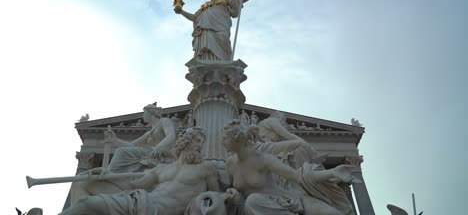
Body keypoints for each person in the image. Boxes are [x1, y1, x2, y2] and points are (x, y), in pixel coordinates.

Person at [61, 128, 220, 215]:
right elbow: (131, 186)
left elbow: (217, 196)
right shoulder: (162, 168)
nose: (200, 146)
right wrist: (107, 174)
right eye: (197, 141)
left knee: (89, 204)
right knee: (85, 190)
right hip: (140, 201)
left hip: (159, 210)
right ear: (185, 142)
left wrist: (231, 195)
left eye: (201, 142)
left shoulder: (205, 167)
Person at [223, 121, 359, 215]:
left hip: (286, 200)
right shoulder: (230, 164)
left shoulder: (263, 158)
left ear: (237, 139)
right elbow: (230, 187)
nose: (222, 141)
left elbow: (297, 176)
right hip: (256, 205)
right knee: (252, 201)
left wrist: (331, 172)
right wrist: (231, 191)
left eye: (225, 138)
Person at [175, 0, 252, 60]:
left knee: (224, 56)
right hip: (206, 35)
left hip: (221, 33)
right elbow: (194, 18)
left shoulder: (227, 3)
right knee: (205, 56)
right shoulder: (204, 7)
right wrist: (181, 12)